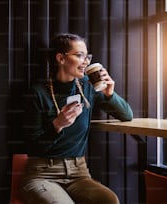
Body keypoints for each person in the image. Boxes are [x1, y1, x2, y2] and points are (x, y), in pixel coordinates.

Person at [20, 33, 133, 204]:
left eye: (87, 56)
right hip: (42, 173)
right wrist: (57, 125)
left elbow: (127, 115)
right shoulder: (38, 93)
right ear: (61, 58)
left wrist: (110, 94)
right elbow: (32, 145)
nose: (86, 62)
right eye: (79, 55)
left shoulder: (88, 87)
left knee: (110, 200)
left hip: (78, 173)